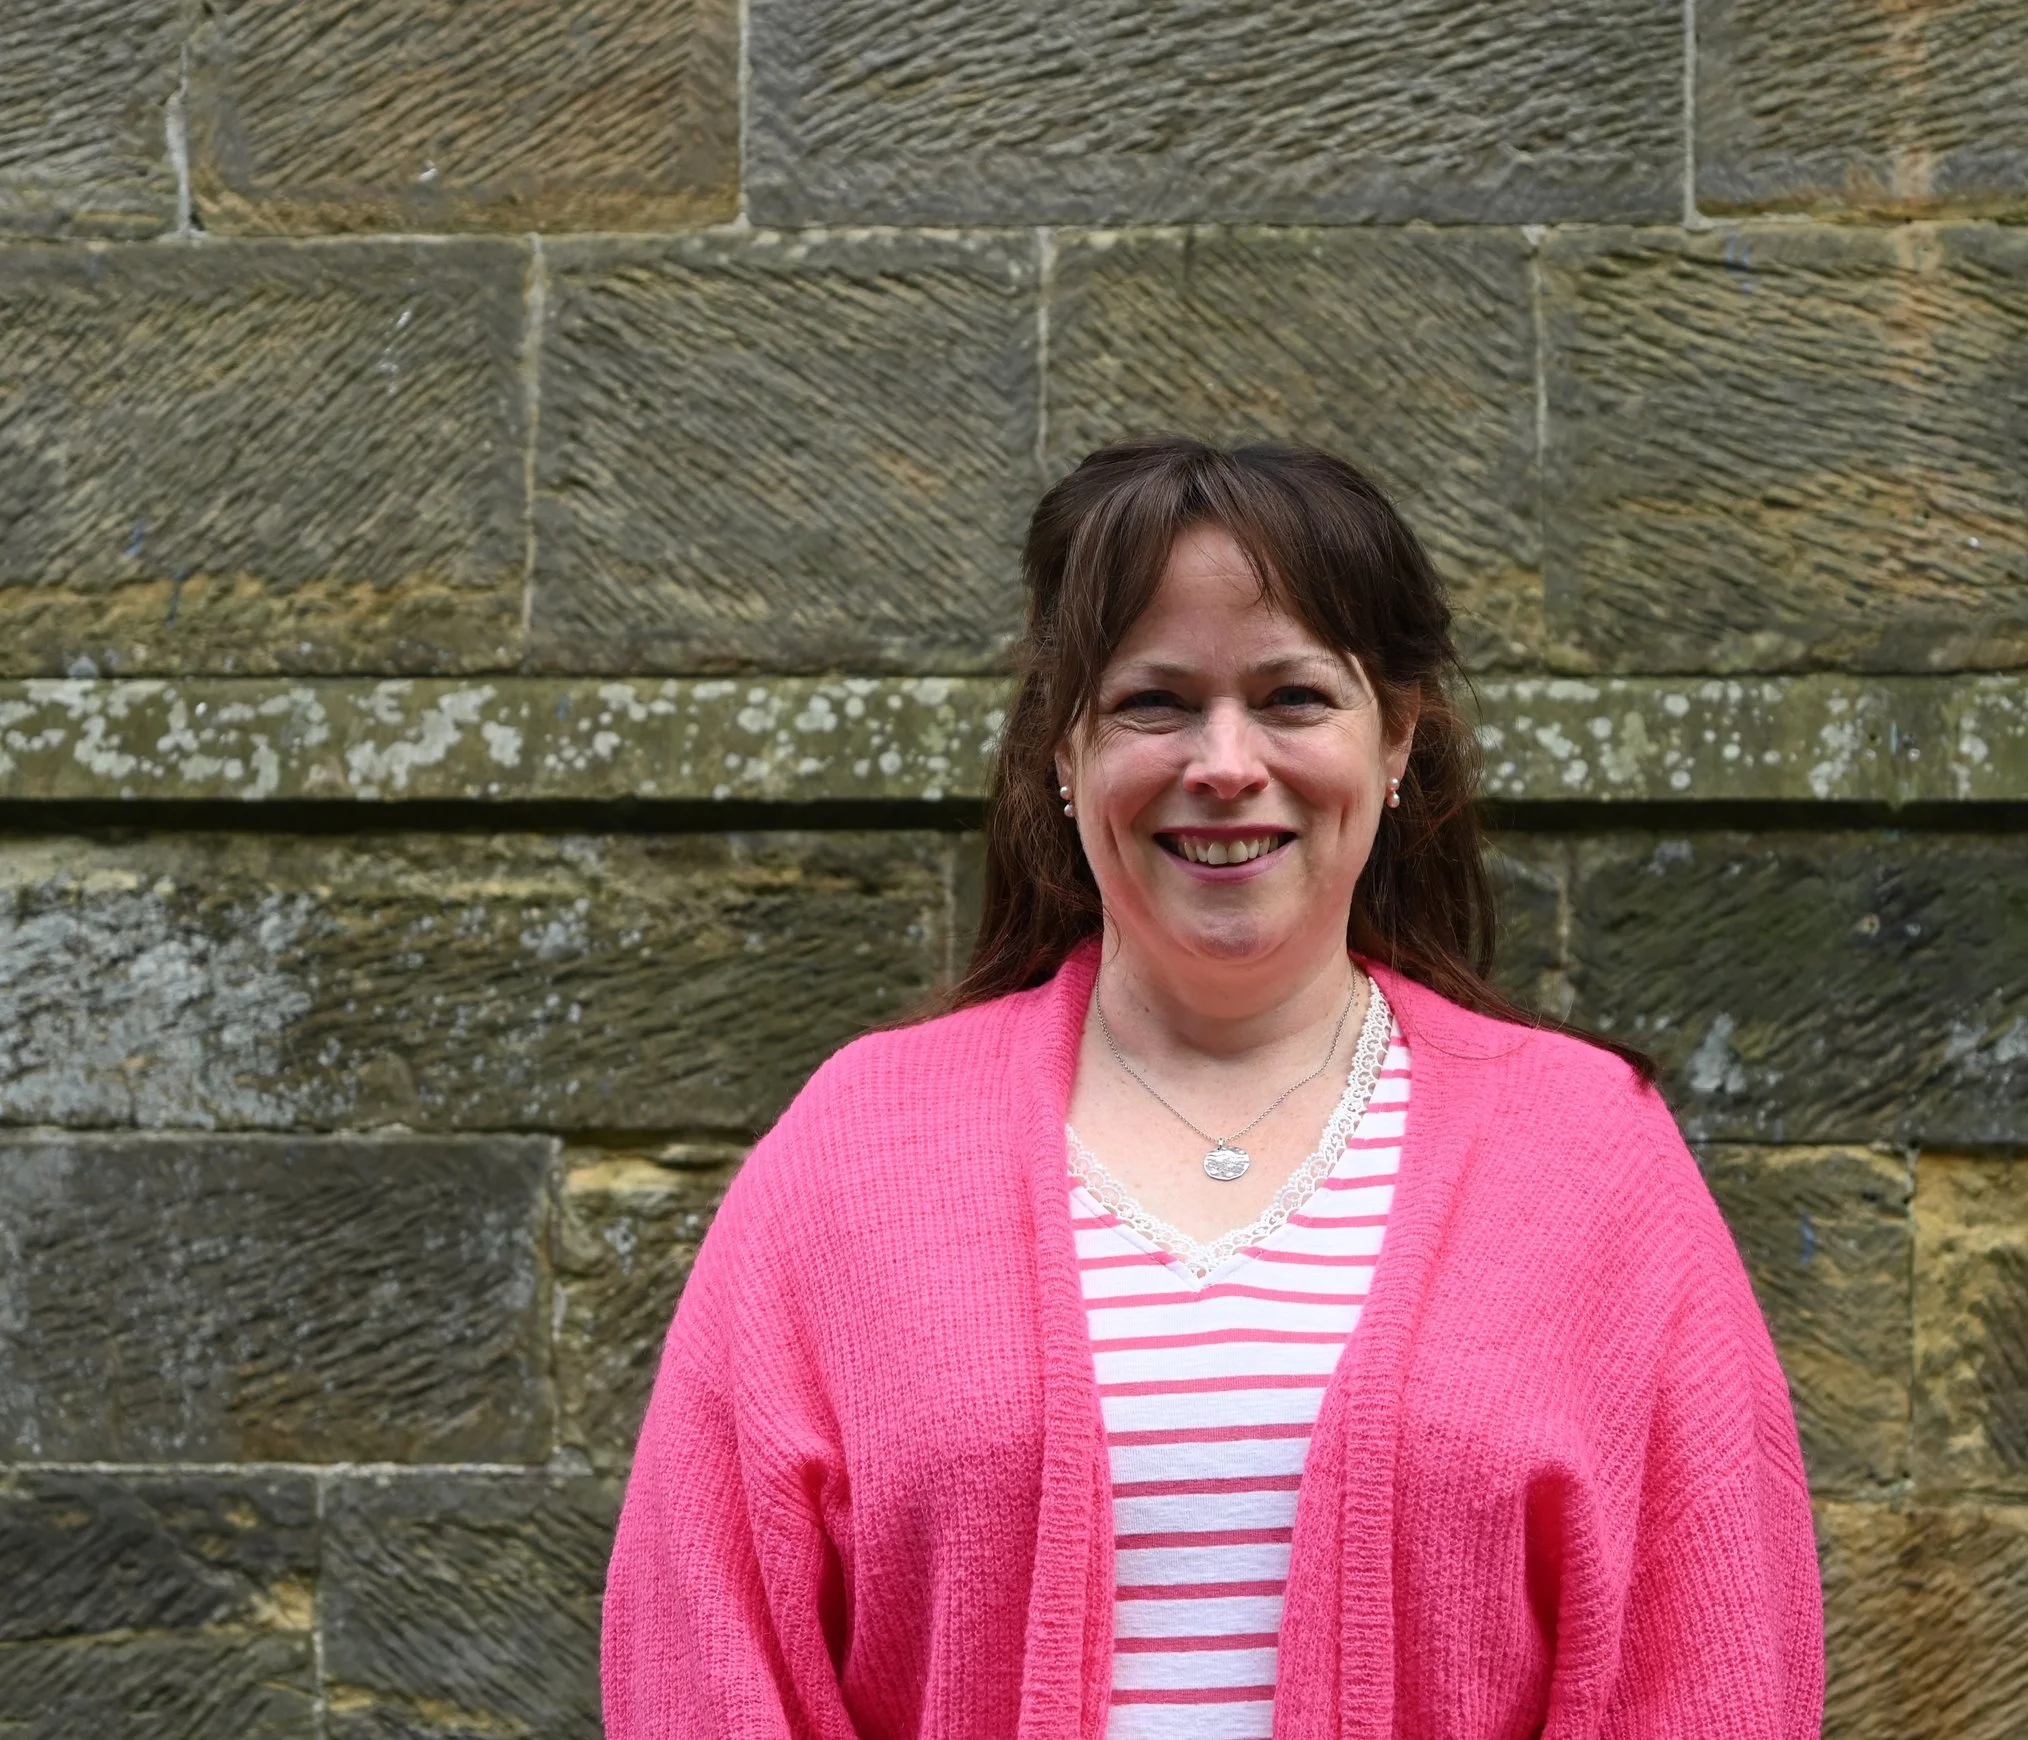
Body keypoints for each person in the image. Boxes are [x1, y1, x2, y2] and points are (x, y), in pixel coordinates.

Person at [602, 437, 1824, 1739]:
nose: (1225, 762)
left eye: (1294, 696)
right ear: (1061, 756)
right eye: (1153, 702)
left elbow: (1711, 1666)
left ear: (1398, 740)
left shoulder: (1588, 1156)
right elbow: (703, 1653)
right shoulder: (856, 1148)